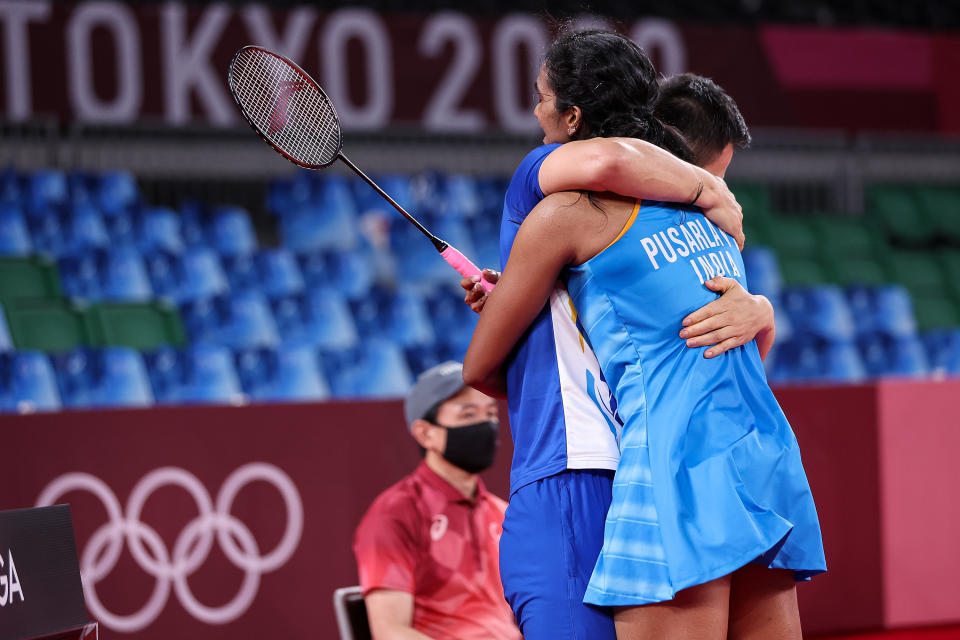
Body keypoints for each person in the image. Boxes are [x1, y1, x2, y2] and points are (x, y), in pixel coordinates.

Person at [463, 71, 826, 640]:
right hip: (762, 455)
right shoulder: (719, 232)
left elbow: (478, 370)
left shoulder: (578, 213)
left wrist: (516, 308)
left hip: (671, 460)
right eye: (714, 175)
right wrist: (763, 311)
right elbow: (732, 350)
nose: (715, 189)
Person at [352, 361, 521, 640]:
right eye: (468, 414)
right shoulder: (395, 513)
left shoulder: (503, 513)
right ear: (425, 433)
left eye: (491, 414)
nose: (485, 425)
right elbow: (389, 631)